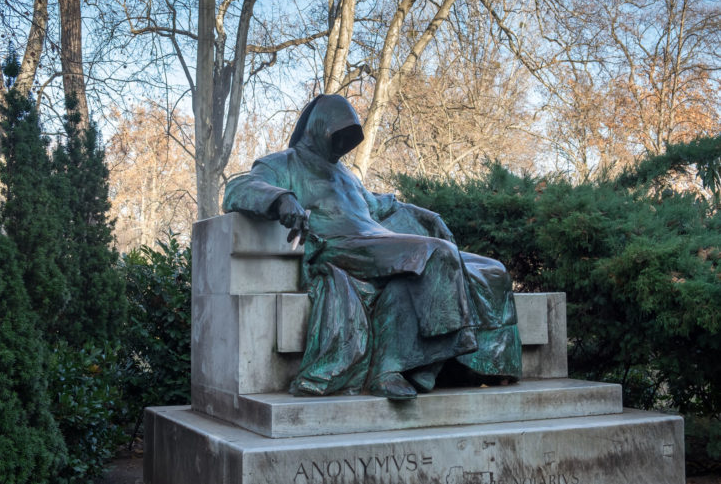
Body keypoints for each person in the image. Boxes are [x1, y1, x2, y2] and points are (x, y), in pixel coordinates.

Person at [223, 94, 520, 400]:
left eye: (349, 137)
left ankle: (487, 364)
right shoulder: (284, 163)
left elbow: (379, 205)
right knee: (438, 253)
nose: (343, 145)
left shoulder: (347, 175)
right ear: (319, 128)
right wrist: (282, 199)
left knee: (491, 269)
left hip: (378, 241)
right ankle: (402, 369)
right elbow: (239, 188)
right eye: (339, 135)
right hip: (339, 246)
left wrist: (427, 217)